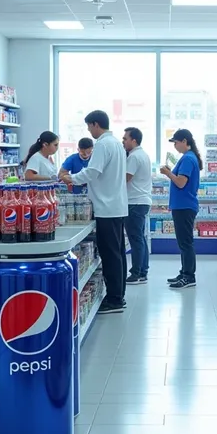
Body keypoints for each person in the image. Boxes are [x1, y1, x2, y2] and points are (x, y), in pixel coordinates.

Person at [60, 110, 128, 314]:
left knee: (110, 255)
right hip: (116, 206)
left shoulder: (102, 145)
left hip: (107, 208)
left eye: (89, 126)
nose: (89, 130)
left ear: (96, 124)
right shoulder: (116, 143)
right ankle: (118, 294)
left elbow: (92, 172)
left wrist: (71, 178)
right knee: (118, 254)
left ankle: (115, 299)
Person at [160, 128, 202, 290]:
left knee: (185, 242)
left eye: (176, 143)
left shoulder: (188, 159)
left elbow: (181, 182)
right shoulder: (188, 158)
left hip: (185, 206)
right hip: (182, 206)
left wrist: (167, 173)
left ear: (185, 141)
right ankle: (184, 271)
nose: (175, 146)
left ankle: (189, 276)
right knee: (184, 242)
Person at [122, 127, 152, 285]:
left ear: (134, 140)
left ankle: (136, 273)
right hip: (142, 201)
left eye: (125, 138)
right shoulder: (143, 154)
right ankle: (143, 271)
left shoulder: (133, 157)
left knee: (136, 239)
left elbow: (125, 178)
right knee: (140, 238)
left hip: (134, 202)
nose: (123, 141)